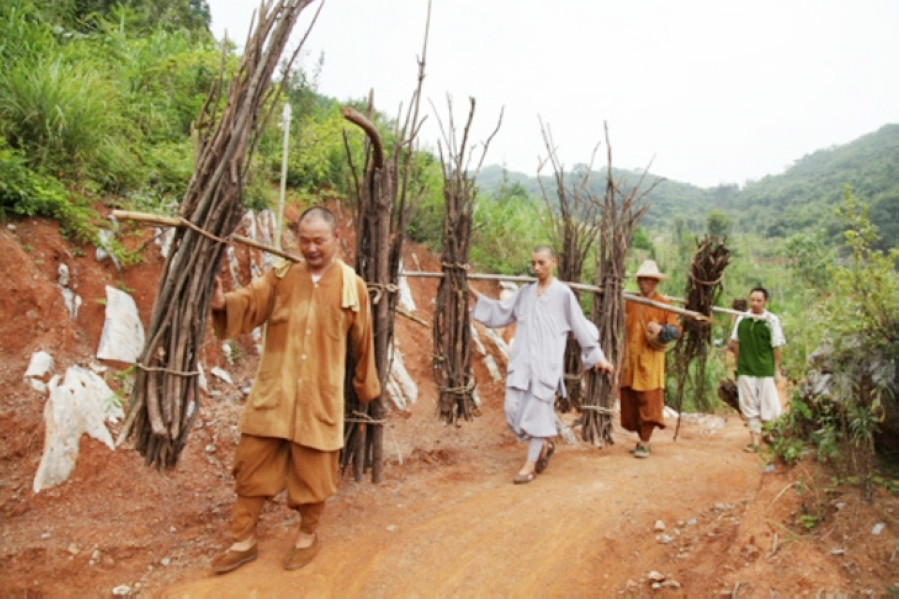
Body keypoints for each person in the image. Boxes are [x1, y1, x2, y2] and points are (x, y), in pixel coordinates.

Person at [208, 206, 380, 573]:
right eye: (304, 240)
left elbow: (364, 340)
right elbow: (251, 302)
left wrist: (365, 384)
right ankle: (243, 540)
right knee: (251, 467)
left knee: (314, 475)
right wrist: (223, 304)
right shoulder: (281, 276)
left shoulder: (353, 287)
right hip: (274, 395)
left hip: (320, 398)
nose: (311, 248)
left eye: (318, 240)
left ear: (336, 239)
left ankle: (306, 535)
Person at [470, 245, 614, 484]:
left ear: (553, 263)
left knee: (537, 414)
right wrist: (472, 294)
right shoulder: (525, 293)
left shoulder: (563, 294)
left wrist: (598, 356)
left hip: (546, 367)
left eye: (542, 263)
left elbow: (580, 327)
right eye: (533, 263)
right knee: (512, 410)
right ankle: (545, 441)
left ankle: (530, 463)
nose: (536, 268)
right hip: (522, 365)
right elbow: (501, 312)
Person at [621, 259, 681, 459]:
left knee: (649, 400)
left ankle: (645, 441)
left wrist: (662, 329)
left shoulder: (664, 305)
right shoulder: (629, 302)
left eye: (648, 280)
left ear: (655, 282)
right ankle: (641, 438)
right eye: (641, 279)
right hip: (630, 360)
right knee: (630, 400)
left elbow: (676, 330)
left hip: (651, 361)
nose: (644, 283)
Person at [728, 286, 786, 453]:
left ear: (765, 302)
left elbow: (776, 347)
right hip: (746, 369)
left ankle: (769, 435)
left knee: (769, 404)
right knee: (749, 405)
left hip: (765, 369)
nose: (755, 303)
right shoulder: (742, 319)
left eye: (759, 301)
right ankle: (755, 440)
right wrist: (738, 365)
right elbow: (735, 343)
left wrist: (776, 370)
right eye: (752, 300)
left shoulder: (771, 321)